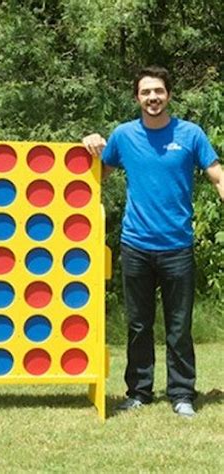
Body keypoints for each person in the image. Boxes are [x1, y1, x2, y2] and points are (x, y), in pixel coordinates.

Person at [82, 65, 223, 417]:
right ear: (137, 98)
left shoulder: (190, 135)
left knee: (179, 325)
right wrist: (89, 147)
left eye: (158, 91)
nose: (152, 98)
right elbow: (94, 176)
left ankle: (182, 395)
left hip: (177, 246)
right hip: (135, 246)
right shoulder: (124, 136)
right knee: (138, 324)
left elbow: (217, 176)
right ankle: (139, 392)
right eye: (146, 92)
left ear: (169, 95)